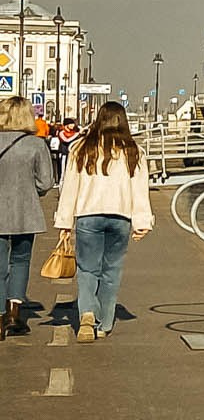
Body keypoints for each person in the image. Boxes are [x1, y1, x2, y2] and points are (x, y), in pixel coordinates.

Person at [53, 102, 149, 342]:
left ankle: (86, 313)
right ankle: (104, 323)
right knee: (111, 271)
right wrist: (142, 222)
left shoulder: (81, 148)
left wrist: (65, 222)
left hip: (88, 216)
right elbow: (139, 190)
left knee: (87, 269)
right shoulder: (133, 150)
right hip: (120, 217)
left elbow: (69, 187)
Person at [0, 97, 57, 339]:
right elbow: (46, 182)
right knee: (20, 261)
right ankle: (14, 314)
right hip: (25, 211)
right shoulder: (35, 144)